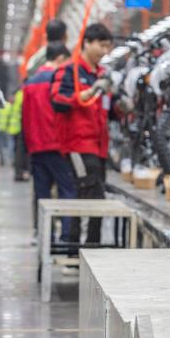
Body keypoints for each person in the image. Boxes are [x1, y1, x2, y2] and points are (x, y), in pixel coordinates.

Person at [51, 23, 114, 248]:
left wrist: (119, 104)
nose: (105, 51)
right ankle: (83, 249)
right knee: (92, 195)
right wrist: (88, 92)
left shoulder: (102, 74)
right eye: (101, 45)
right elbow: (57, 100)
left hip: (99, 147)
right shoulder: (70, 71)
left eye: (108, 47)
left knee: (88, 195)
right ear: (87, 43)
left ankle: (81, 248)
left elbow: (108, 109)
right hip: (77, 145)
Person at [22, 42, 76, 236]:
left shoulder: (30, 83)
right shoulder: (60, 81)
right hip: (57, 145)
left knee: (42, 195)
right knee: (67, 191)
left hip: (36, 147)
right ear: (60, 58)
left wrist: (28, 146)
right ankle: (67, 238)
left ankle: (45, 236)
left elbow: (25, 118)